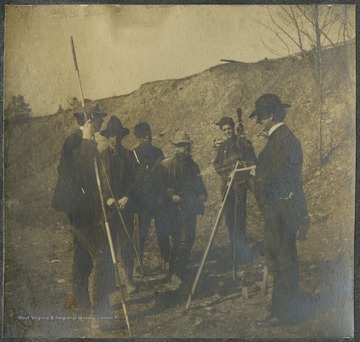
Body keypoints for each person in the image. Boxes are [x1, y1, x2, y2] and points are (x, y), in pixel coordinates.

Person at [249, 93, 309, 326]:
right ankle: (285, 309)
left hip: (278, 211)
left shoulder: (277, 143)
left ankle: (282, 314)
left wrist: (256, 179)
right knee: (286, 259)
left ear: (271, 115)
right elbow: (292, 179)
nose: (258, 122)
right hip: (288, 209)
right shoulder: (288, 139)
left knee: (282, 260)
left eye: (261, 117)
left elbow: (269, 181)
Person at [52, 103, 109, 316]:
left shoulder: (81, 141)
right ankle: (101, 313)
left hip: (82, 209)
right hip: (79, 209)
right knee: (103, 256)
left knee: (82, 256)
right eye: (99, 122)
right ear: (89, 122)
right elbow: (80, 172)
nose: (101, 125)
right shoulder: (75, 142)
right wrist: (87, 142)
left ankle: (83, 304)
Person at [159, 131, 207, 285]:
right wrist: (172, 195)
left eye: (187, 145)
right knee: (181, 240)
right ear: (176, 148)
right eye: (182, 145)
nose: (185, 148)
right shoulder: (168, 165)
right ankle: (175, 274)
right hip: (175, 208)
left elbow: (200, 188)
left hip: (190, 208)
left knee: (189, 239)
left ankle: (178, 273)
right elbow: (162, 186)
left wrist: (201, 198)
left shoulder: (194, 167)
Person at [99, 115, 138, 294]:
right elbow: (97, 183)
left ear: (122, 137)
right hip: (108, 209)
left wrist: (127, 197)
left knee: (126, 244)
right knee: (109, 245)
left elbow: (137, 180)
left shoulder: (129, 156)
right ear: (108, 137)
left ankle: (129, 280)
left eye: (117, 135)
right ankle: (111, 281)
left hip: (125, 207)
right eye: (112, 135)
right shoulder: (100, 158)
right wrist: (106, 198)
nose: (115, 138)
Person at [213, 116, 257, 265]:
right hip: (227, 188)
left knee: (240, 218)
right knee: (230, 220)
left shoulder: (242, 142)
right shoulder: (223, 146)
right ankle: (233, 252)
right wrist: (227, 175)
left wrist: (241, 170)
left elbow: (251, 160)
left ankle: (243, 253)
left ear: (233, 128)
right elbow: (217, 165)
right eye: (224, 130)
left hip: (240, 186)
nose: (227, 132)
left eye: (229, 129)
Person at [132, 122, 167, 271]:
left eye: (149, 135)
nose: (147, 138)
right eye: (143, 136)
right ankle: (138, 263)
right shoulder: (133, 154)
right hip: (142, 202)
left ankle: (166, 260)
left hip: (158, 199)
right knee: (141, 234)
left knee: (163, 231)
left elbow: (164, 176)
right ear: (138, 138)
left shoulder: (159, 153)